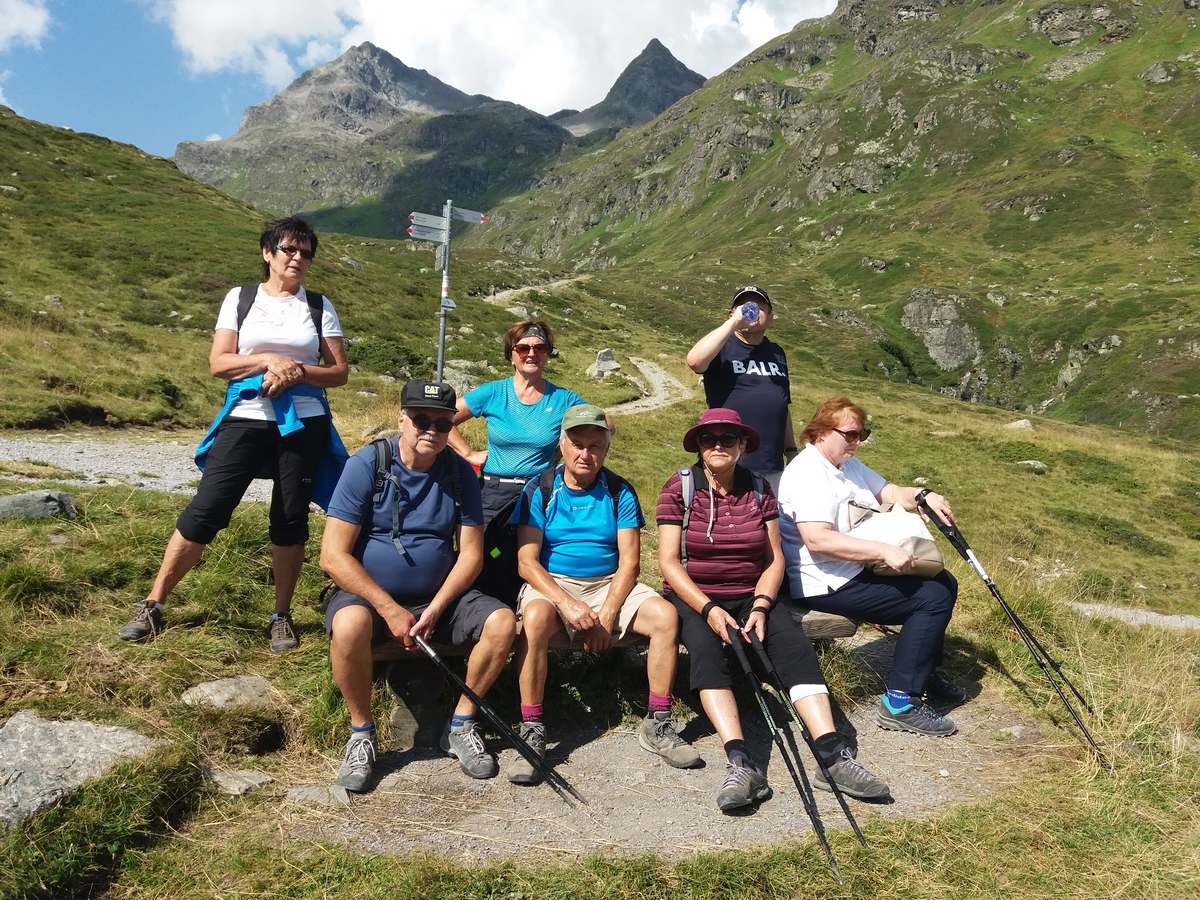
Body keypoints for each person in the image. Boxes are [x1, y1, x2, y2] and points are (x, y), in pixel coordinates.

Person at [118, 217, 349, 651]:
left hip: (303, 424)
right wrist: (267, 361)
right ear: (268, 253)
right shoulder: (241, 299)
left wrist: (296, 371)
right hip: (246, 415)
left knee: (290, 519)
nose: (298, 258)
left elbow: (338, 373)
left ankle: (281, 616)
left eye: (306, 253)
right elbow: (219, 362)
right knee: (206, 509)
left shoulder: (319, 305)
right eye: (289, 250)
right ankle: (153, 603)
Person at [657, 408, 890, 814]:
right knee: (706, 651)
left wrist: (763, 604)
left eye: (728, 439)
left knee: (794, 648)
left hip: (753, 592)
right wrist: (708, 610)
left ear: (742, 446)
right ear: (698, 446)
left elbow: (774, 558)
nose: (718, 445)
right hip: (696, 595)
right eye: (709, 438)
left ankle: (832, 756)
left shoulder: (759, 488)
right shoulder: (680, 488)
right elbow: (669, 563)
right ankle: (741, 763)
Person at [319, 380, 517, 792]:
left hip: (438, 597)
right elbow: (333, 556)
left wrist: (438, 607)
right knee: (350, 624)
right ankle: (362, 732)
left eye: (443, 424)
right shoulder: (368, 464)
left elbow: (471, 555)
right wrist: (389, 609)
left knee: (501, 622)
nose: (431, 430)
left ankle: (461, 724)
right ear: (402, 419)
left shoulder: (460, 474)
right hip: (370, 595)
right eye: (421, 420)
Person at [507, 404, 701, 784]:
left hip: (608, 582)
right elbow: (527, 563)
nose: (585, 454)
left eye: (595, 445)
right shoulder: (540, 489)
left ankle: (658, 721)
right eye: (577, 444)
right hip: (554, 583)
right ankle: (531, 728)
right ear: (562, 446)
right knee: (535, 617)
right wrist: (567, 603)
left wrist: (608, 612)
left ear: (607, 449)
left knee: (665, 616)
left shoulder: (618, 490)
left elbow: (630, 562)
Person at [777, 396, 966, 737]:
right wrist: (883, 551)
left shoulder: (846, 466)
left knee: (944, 582)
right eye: (850, 434)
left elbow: (889, 492)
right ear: (820, 432)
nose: (857, 441)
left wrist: (923, 495)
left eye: (862, 434)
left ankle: (922, 673)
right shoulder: (808, 474)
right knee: (932, 598)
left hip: (850, 570)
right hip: (824, 581)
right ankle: (901, 703)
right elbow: (817, 539)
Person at [447, 320, 588, 525]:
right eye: (523, 348)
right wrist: (468, 453)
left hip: (540, 492)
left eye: (539, 348)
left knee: (537, 547)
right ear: (511, 355)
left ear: (547, 355)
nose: (531, 354)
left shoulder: (563, 399)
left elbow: (605, 425)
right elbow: (443, 417)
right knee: (488, 545)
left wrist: (562, 453)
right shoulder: (493, 392)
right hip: (493, 494)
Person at [686, 286, 797, 493]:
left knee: (770, 513)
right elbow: (694, 361)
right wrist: (733, 323)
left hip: (771, 466)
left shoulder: (776, 353)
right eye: (743, 305)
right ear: (732, 314)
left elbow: (782, 404)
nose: (751, 309)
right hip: (728, 461)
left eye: (759, 305)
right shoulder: (721, 347)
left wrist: (790, 450)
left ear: (771, 318)